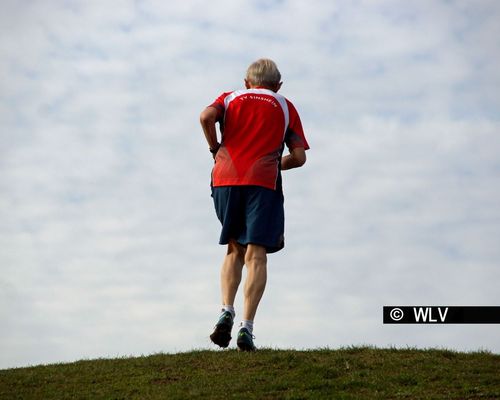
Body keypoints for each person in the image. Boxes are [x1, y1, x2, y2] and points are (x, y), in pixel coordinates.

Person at [200, 58, 309, 351]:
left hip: (225, 177)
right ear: (278, 85)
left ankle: (226, 310)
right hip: (262, 182)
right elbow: (299, 158)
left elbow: (205, 117)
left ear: (247, 82)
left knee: (234, 247)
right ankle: (246, 327)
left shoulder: (230, 97)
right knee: (257, 254)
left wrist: (214, 149)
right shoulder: (285, 105)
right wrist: (273, 165)